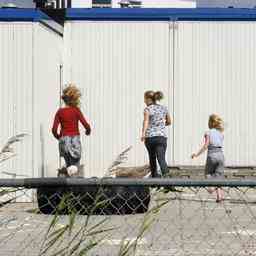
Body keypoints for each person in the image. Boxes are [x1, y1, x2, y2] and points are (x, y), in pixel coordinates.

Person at [52, 84, 91, 169]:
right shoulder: (76, 110)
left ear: (64, 100)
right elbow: (86, 125)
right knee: (75, 168)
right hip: (74, 141)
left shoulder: (59, 112)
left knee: (69, 167)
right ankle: (75, 181)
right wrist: (88, 131)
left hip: (64, 140)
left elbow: (54, 129)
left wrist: (59, 137)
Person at [191, 114, 225, 202]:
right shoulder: (221, 133)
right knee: (219, 176)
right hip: (221, 155)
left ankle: (211, 188)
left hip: (212, 155)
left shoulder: (208, 132)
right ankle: (219, 196)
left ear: (210, 123)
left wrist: (196, 154)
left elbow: (206, 145)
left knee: (208, 173)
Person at [141, 91, 172, 178]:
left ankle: (155, 179)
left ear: (148, 99)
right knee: (161, 158)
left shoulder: (147, 109)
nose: (144, 101)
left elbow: (146, 122)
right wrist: (160, 126)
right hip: (161, 137)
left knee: (152, 158)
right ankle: (168, 179)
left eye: (145, 99)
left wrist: (143, 133)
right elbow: (169, 122)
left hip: (150, 137)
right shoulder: (164, 108)